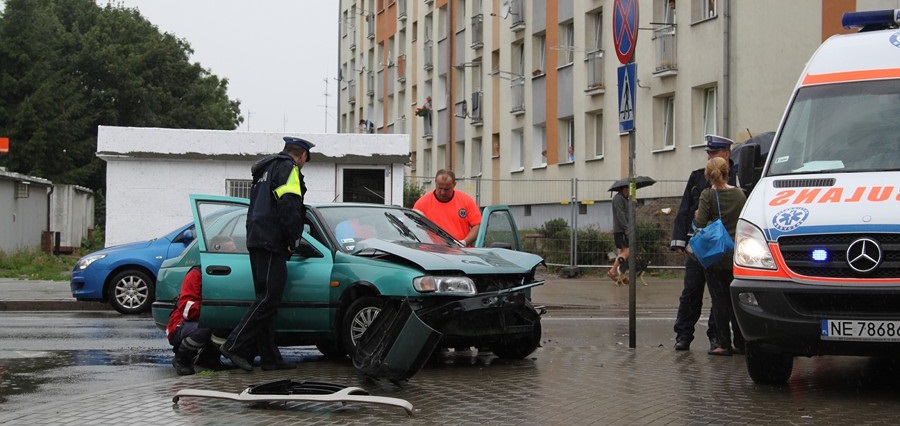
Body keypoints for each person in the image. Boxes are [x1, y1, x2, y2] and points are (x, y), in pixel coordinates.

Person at [218, 136, 314, 372]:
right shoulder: (288, 169)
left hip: (256, 237)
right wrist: (292, 239)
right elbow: (289, 205)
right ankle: (234, 345)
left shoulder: (265, 169)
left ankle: (270, 358)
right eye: (305, 160)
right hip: (272, 240)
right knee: (269, 298)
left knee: (265, 299)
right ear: (302, 156)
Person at [670, 134, 736, 351]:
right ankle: (683, 335)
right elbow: (685, 208)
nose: (709, 157)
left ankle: (716, 336)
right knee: (691, 291)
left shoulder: (737, 178)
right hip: (699, 247)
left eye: (713, 153)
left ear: (726, 154)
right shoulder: (698, 177)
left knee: (720, 297)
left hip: (724, 249)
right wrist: (679, 240)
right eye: (708, 153)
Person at [693, 155, 746, 356]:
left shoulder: (707, 195)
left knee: (719, 302)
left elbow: (699, 224)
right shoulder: (740, 194)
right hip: (736, 256)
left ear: (708, 175)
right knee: (736, 301)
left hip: (715, 257)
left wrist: (698, 216)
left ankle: (724, 344)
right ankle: (741, 342)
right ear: (727, 172)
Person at [166, 235, 237, 375]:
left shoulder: (231, 275)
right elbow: (186, 309)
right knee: (205, 328)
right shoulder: (197, 274)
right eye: (231, 252)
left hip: (207, 320)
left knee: (228, 326)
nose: (234, 256)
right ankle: (181, 359)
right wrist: (213, 312)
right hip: (181, 324)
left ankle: (208, 360)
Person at [413, 169, 482, 247]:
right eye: (439, 188)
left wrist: (464, 242)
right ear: (435, 183)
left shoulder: (466, 201)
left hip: (461, 251)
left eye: (446, 189)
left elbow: (477, 226)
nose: (442, 192)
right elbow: (413, 227)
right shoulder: (422, 203)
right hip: (431, 251)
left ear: (454, 184)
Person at [607, 185, 630, 283]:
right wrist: (626, 228)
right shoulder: (618, 199)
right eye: (629, 188)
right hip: (621, 230)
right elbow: (620, 214)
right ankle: (612, 271)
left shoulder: (624, 199)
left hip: (622, 229)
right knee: (626, 252)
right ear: (624, 189)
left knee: (622, 253)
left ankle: (621, 276)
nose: (630, 190)